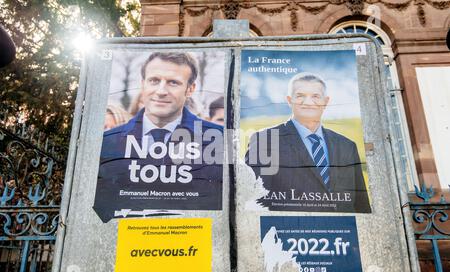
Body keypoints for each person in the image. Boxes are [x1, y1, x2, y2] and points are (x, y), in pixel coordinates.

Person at [94, 52, 224, 222]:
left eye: (173, 82)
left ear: (190, 89)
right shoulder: (107, 142)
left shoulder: (216, 139)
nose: (161, 91)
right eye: (154, 80)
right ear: (143, 84)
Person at [245, 72, 371, 213]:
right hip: (289, 232)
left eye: (316, 96)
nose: (308, 102)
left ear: (326, 101)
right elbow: (254, 201)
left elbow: (361, 205)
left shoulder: (347, 146)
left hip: (343, 232)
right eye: (300, 96)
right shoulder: (265, 140)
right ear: (289, 100)